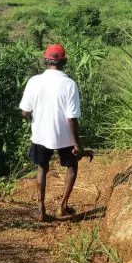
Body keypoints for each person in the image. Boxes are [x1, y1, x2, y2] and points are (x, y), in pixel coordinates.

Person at [19, 44, 83, 222]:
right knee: (72, 166)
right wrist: (77, 144)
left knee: (42, 168)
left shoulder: (34, 81)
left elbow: (25, 111)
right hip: (65, 136)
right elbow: (72, 118)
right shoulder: (69, 84)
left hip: (40, 134)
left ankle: (40, 209)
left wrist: (34, 120)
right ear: (64, 61)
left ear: (46, 61)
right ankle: (63, 206)